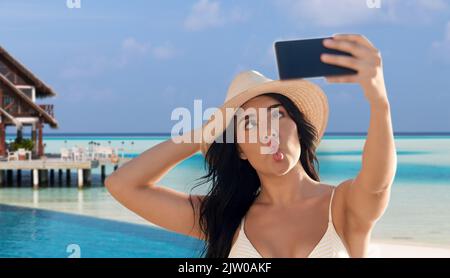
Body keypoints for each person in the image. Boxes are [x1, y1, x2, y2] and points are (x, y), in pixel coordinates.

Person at [105, 34, 397, 258]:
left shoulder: (343, 206)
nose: (268, 132)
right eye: (250, 124)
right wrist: (204, 133)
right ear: (241, 150)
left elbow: (377, 183)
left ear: (298, 127)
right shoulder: (225, 219)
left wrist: (378, 102)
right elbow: (123, 185)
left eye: (277, 115)